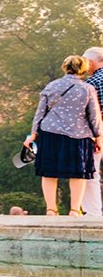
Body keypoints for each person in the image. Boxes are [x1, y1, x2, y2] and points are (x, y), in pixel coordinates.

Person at [28, 55, 103, 216]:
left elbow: (40, 113)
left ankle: (51, 209)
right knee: (78, 173)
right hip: (79, 135)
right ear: (83, 69)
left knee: (49, 172)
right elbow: (94, 116)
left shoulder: (51, 86)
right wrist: (98, 138)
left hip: (50, 133)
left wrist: (33, 135)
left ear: (65, 67)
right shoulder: (87, 89)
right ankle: (75, 210)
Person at [83, 48, 103, 219]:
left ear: (91, 62)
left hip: (97, 131)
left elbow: (93, 113)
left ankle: (93, 213)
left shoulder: (91, 83)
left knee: (91, 172)